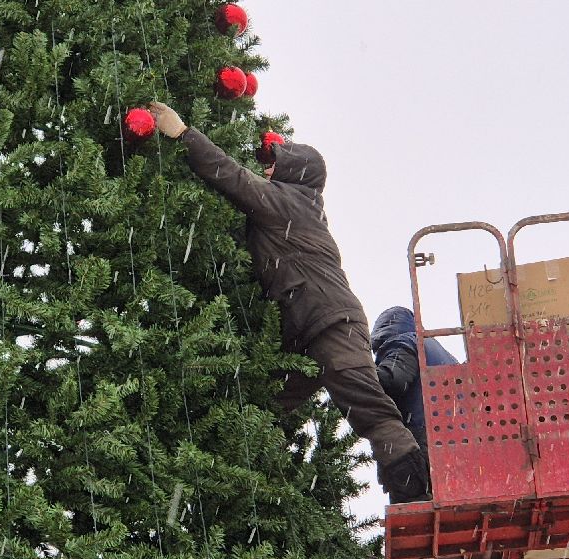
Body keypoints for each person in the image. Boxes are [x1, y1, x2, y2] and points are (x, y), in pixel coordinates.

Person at [147, 101, 430, 503]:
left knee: (369, 409)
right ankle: (247, 487)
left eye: (273, 161)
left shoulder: (289, 202)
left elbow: (229, 176)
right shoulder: (295, 206)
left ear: (296, 171)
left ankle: (415, 492)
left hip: (330, 324)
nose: (265, 168)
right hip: (306, 333)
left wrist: (183, 133)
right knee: (268, 409)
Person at [370, 306, 460, 456]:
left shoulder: (403, 341)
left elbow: (393, 380)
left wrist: (359, 371)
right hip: (459, 439)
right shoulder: (444, 354)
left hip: (424, 437)